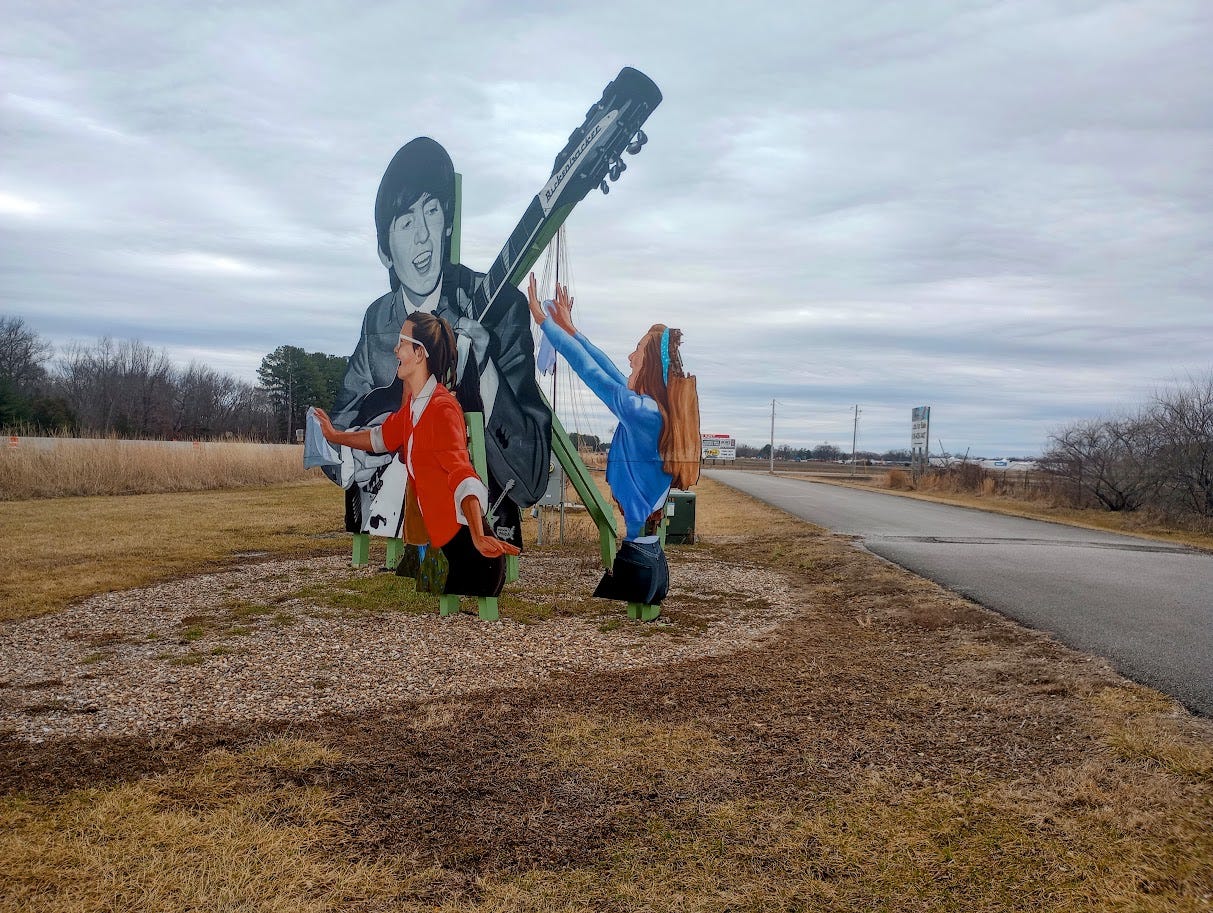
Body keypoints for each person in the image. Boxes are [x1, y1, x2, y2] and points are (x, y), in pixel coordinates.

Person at [328, 137, 552, 544]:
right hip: (398, 517)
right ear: (385, 251)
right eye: (406, 221)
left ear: (447, 221)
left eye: (432, 211)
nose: (423, 237)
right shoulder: (378, 319)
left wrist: (484, 371)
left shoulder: (501, 307)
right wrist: (358, 457)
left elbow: (533, 478)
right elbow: (338, 426)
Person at [314, 312, 519, 597]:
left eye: (402, 343)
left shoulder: (441, 409)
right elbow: (380, 438)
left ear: (420, 353)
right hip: (446, 546)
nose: (395, 350)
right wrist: (335, 436)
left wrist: (477, 533)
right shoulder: (414, 407)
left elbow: (462, 475)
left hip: (470, 557)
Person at [526, 274, 700, 605]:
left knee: (637, 553)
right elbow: (606, 368)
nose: (630, 358)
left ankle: (639, 587)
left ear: (648, 364)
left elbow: (591, 372)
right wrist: (572, 331)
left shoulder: (641, 412)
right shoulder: (650, 407)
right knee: (642, 541)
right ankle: (645, 584)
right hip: (650, 552)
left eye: (637, 352)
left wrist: (544, 323)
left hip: (641, 555)